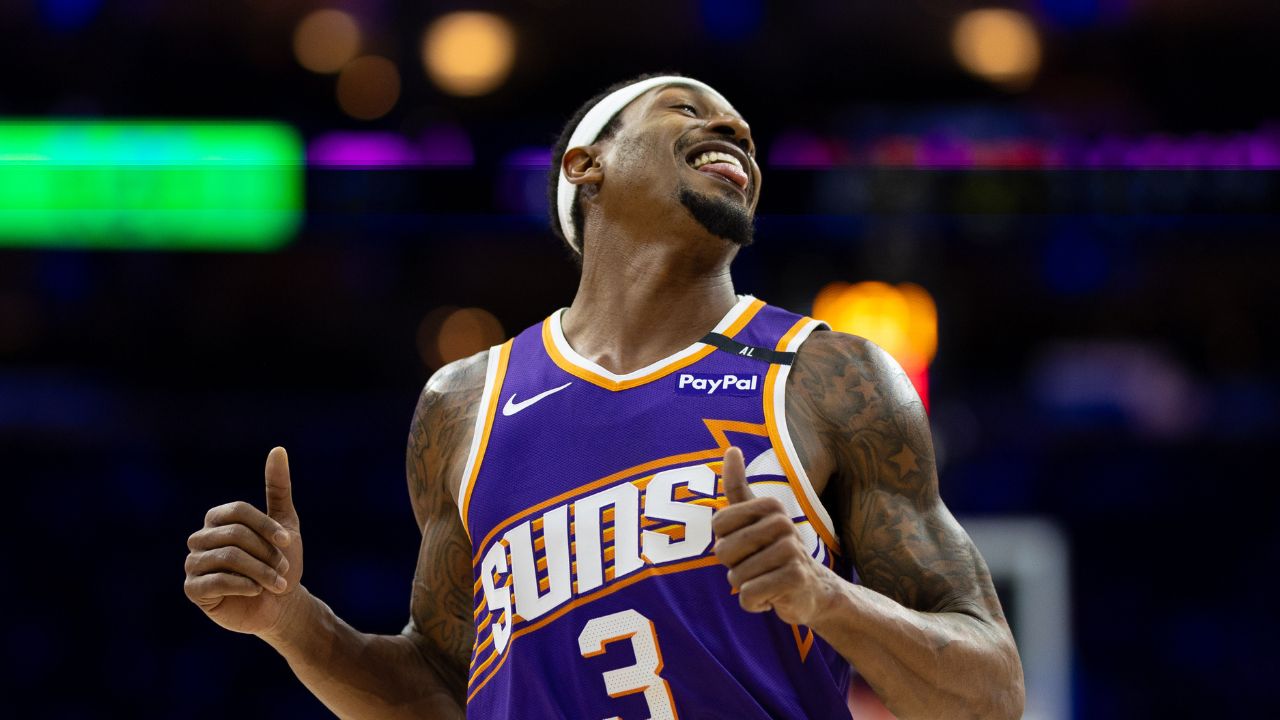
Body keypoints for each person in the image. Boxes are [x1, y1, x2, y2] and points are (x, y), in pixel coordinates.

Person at [183, 73, 1024, 719]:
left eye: (741, 128)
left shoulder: (827, 376)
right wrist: (290, 622)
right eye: (687, 109)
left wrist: (826, 598)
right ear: (586, 164)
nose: (733, 129)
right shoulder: (464, 402)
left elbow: (990, 691)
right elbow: (441, 689)